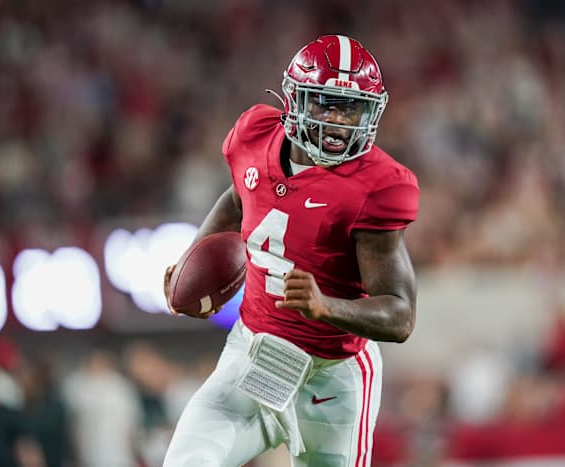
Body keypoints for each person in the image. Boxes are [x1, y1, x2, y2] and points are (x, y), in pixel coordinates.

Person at [162, 34, 420, 467]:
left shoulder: (379, 185)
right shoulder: (253, 134)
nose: (339, 120)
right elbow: (236, 196)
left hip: (334, 379)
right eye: (326, 103)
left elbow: (400, 315)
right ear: (295, 100)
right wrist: (192, 259)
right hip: (254, 356)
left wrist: (327, 306)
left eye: (351, 108)